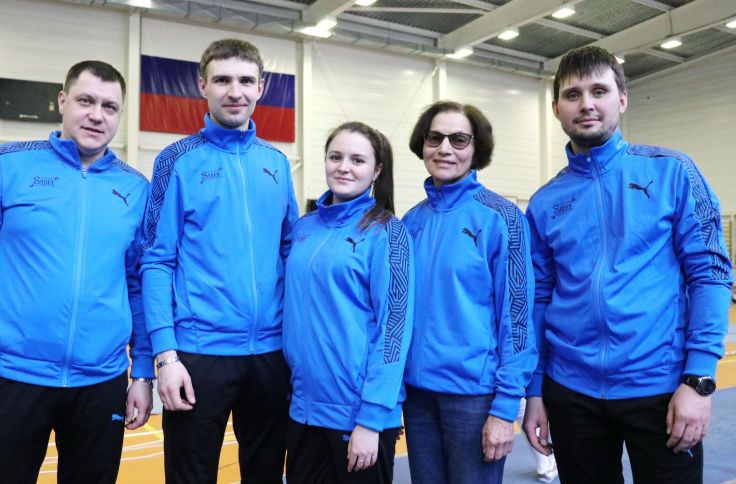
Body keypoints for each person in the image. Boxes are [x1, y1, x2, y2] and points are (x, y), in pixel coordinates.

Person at [523, 46, 733, 484]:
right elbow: (539, 298)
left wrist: (698, 380)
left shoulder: (674, 173)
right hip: (571, 393)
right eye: (573, 94)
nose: (586, 104)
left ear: (622, 99)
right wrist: (536, 390)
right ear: (556, 108)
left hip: (661, 388)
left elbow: (710, 274)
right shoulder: (544, 202)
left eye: (598, 91)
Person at [0, 60, 153, 483]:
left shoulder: (136, 189)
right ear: (62, 101)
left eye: (110, 107)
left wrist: (143, 370)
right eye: (86, 101)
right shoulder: (6, 165)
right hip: (12, 377)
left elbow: (137, 285)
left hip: (101, 383)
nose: (97, 115)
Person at [140, 38, 298, 483]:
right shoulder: (176, 161)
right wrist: (165, 356)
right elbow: (156, 261)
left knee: (266, 475)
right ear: (202, 86)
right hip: (198, 353)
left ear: (261, 88)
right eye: (223, 80)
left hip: (271, 354)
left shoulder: (276, 163)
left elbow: (291, 252)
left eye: (246, 81)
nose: (235, 91)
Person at [402, 100, 538, 483]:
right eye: (434, 138)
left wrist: (505, 408)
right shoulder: (410, 221)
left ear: (476, 148)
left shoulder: (502, 218)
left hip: (473, 398)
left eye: (458, 139)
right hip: (417, 396)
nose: (445, 148)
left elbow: (517, 317)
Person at [283, 122, 414, 484]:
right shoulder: (304, 228)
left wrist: (371, 419)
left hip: (358, 417)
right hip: (304, 411)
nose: (344, 167)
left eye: (357, 160)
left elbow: (394, 329)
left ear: (377, 170)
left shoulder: (388, 233)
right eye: (335, 157)